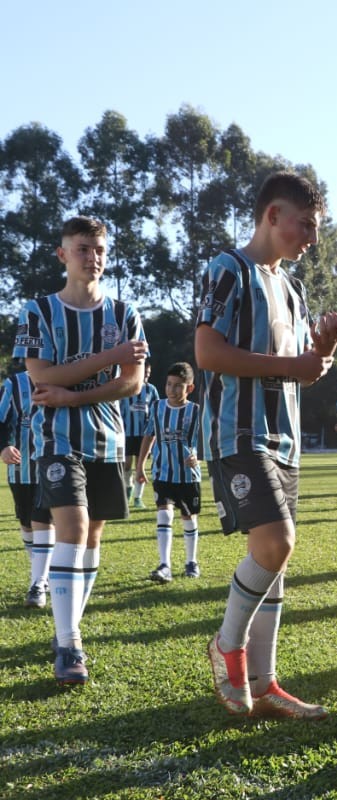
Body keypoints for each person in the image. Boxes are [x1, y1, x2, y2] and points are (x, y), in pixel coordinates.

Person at [199, 171, 337, 720]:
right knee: (276, 542)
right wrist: (296, 365)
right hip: (238, 431)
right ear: (273, 216)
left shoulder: (292, 287)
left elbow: (305, 370)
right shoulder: (227, 270)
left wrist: (324, 352)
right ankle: (226, 646)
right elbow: (208, 353)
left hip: (285, 439)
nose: (311, 237)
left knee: (276, 562)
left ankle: (264, 683)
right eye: (305, 225)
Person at [14, 215, 148, 686]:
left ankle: (67, 629)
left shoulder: (125, 313)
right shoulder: (37, 311)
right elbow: (40, 376)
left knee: (92, 540)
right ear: (63, 254)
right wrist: (108, 361)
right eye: (83, 248)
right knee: (71, 528)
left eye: (99, 250)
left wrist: (75, 395)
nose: (93, 258)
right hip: (54, 440)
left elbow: (131, 384)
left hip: (107, 441)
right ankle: (70, 644)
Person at [138, 362, 203, 582]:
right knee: (164, 514)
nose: (172, 389)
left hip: (187, 476)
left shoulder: (196, 411)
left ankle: (191, 562)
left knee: (188, 518)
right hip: (162, 473)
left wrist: (198, 456)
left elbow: (207, 439)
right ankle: (164, 565)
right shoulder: (157, 407)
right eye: (169, 384)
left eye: (178, 386)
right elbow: (149, 436)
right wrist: (140, 466)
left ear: (189, 388)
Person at [0, 367, 54, 608]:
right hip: (21, 469)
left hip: (54, 464)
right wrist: (3, 447)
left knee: (45, 518)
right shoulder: (14, 384)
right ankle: (41, 571)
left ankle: (38, 582)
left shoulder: (64, 378)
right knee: (26, 521)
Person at [123, 363, 159, 508]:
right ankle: (128, 489)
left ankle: (138, 498)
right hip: (126, 433)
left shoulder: (151, 390)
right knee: (126, 465)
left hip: (144, 435)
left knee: (140, 465)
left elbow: (156, 409)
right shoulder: (126, 388)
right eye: (144, 372)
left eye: (148, 372)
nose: (146, 375)